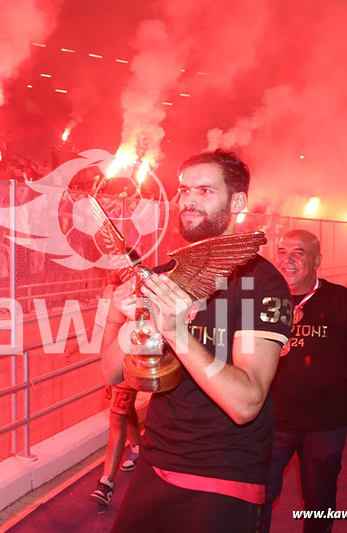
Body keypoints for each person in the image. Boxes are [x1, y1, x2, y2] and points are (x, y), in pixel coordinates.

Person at [101, 150, 292, 532]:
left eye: (205, 190)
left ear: (237, 202)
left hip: (224, 474)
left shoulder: (261, 282)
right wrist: (118, 314)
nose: (188, 200)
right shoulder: (163, 274)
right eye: (184, 190)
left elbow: (246, 402)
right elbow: (111, 372)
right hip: (156, 463)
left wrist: (175, 330)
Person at [262, 229, 347, 533]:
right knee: (256, 499)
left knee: (319, 505)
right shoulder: (261, 299)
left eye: (299, 252)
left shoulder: (343, 301)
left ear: (318, 260)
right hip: (269, 423)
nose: (287, 259)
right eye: (282, 251)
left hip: (325, 424)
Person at [90, 271, 141, 507]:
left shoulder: (147, 288)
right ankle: (136, 449)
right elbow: (107, 334)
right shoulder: (112, 293)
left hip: (151, 358)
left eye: (116, 265)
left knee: (119, 416)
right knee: (120, 411)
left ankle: (107, 481)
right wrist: (108, 374)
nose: (109, 270)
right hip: (124, 361)